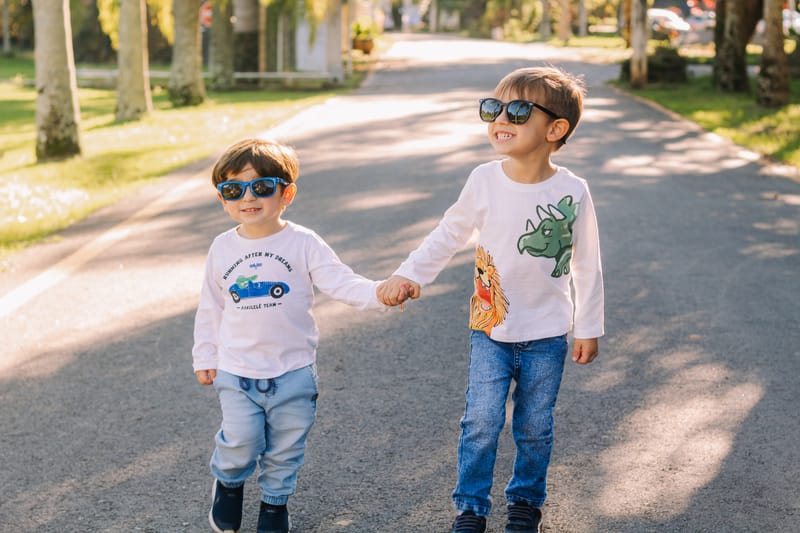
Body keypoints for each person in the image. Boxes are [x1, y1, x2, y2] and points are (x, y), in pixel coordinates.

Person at [377, 66, 604, 533]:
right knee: (480, 422)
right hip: (490, 327)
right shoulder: (484, 179)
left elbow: (587, 264)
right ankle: (471, 508)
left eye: (519, 111)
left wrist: (588, 326)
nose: (501, 118)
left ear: (555, 129)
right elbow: (448, 234)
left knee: (534, 427)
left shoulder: (572, 191)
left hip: (547, 333)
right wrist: (408, 274)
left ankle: (525, 502)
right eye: (493, 108)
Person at [192, 138, 408, 533]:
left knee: (287, 446)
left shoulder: (303, 243)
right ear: (222, 198)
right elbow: (211, 307)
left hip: (293, 371)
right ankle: (229, 481)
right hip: (237, 371)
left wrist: (380, 293)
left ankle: (274, 504)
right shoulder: (222, 248)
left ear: (286, 193)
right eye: (232, 190)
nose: (247, 198)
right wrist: (205, 357)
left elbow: (342, 283)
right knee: (240, 441)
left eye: (260, 187)